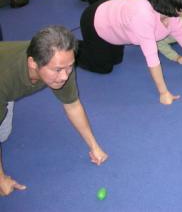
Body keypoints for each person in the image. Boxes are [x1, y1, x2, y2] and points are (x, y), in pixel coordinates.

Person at [0, 26, 108, 196]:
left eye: (70, 67)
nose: (65, 76)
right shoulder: (5, 79)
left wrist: (94, 146)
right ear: (33, 64)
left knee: (4, 134)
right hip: (3, 82)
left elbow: (72, 105)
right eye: (58, 70)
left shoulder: (62, 62)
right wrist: (1, 178)